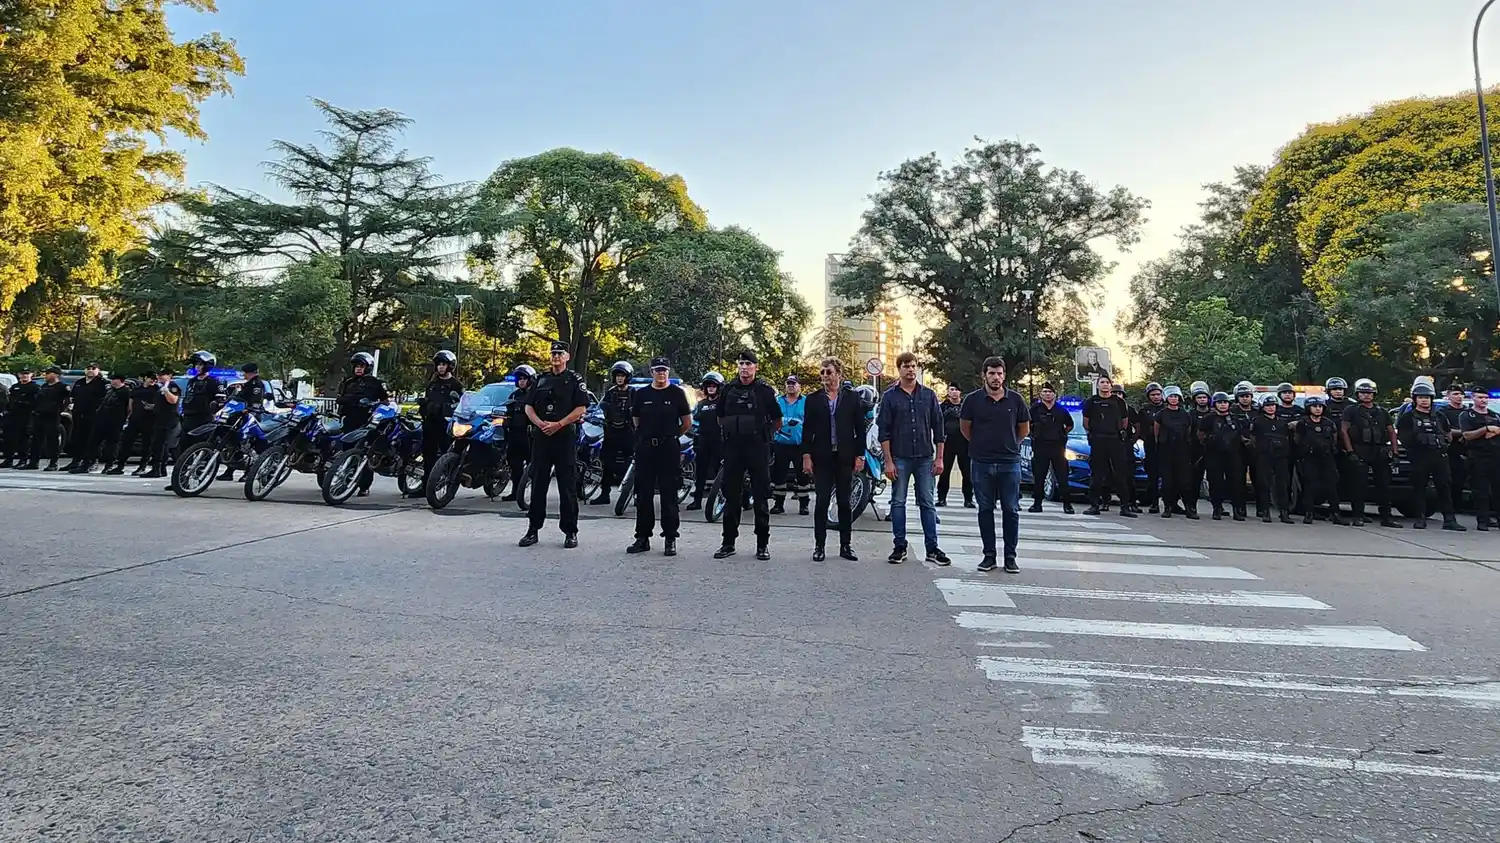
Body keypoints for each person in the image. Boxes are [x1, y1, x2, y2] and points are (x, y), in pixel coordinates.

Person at [876, 351, 949, 564]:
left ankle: (932, 548)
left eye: (913, 365)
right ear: (898, 369)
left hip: (925, 457)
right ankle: (900, 545)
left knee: (927, 502)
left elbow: (939, 428)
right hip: (900, 457)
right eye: (905, 366)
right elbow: (884, 431)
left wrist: (940, 458)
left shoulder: (928, 395)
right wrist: (888, 461)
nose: (910, 369)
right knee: (897, 502)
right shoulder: (890, 397)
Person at [961, 357, 1031, 573]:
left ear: (1004, 375)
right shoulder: (972, 400)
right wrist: (982, 445)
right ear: (984, 375)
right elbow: (966, 429)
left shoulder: (1016, 400)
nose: (996, 377)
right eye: (992, 373)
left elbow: (1024, 429)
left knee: (1011, 509)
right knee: (985, 509)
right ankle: (989, 555)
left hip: (1009, 463)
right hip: (982, 462)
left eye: (999, 373)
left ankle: (1010, 557)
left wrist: (1011, 445)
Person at [519, 341, 591, 548]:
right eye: (553, 353)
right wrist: (541, 424)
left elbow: (581, 409)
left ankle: (570, 531)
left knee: (566, 486)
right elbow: (528, 407)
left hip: (564, 436)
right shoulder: (541, 379)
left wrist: (559, 424)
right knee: (538, 484)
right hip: (542, 436)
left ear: (567, 357)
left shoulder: (574, 379)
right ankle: (533, 530)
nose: (556, 357)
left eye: (560, 354)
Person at [712, 350, 781, 560]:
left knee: (761, 496)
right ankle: (728, 543)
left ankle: (762, 545)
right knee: (731, 495)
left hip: (757, 447)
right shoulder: (728, 389)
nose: (744, 368)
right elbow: (720, 417)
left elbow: (777, 420)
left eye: (748, 364)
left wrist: (763, 436)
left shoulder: (764, 391)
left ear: (755, 367)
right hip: (734, 447)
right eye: (741, 364)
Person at [801, 358, 868, 561]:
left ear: (839, 373)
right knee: (821, 502)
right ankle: (819, 546)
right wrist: (806, 456)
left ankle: (845, 546)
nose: (825, 376)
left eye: (828, 372)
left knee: (844, 503)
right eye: (822, 372)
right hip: (822, 457)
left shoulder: (852, 398)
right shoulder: (813, 399)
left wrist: (860, 455)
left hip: (845, 456)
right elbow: (807, 430)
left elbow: (860, 429)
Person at [626, 357, 692, 556]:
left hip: (668, 448)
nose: (661, 373)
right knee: (643, 494)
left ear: (668, 372)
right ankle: (642, 537)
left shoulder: (677, 394)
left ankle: (670, 537)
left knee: (668, 494)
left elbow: (686, 422)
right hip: (646, 447)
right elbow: (636, 420)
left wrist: (671, 436)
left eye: (664, 370)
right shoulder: (641, 394)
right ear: (651, 372)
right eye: (657, 370)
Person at [1397, 380, 1465, 531]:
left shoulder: (1439, 416)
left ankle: (1449, 519)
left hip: (1439, 456)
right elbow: (1404, 437)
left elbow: (1447, 434)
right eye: (1421, 397)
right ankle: (1420, 519)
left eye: (1427, 397)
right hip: (1419, 457)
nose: (1424, 400)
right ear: (1415, 399)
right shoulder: (1408, 417)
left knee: (1444, 487)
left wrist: (1443, 446)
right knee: (1419, 488)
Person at [1342, 378, 1401, 528]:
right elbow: (1344, 431)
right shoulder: (1351, 410)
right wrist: (1350, 451)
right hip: (1360, 449)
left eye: (1369, 393)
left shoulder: (1382, 412)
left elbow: (1391, 432)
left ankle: (1386, 518)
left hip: (1379, 450)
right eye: (1363, 393)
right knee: (1359, 486)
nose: (1367, 395)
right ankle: (1358, 516)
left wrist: (1395, 452)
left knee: (1384, 486)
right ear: (1357, 394)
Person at [166, 351, 224, 490]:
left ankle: (199, 478)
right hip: (187, 418)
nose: (197, 367)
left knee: (199, 450)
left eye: (199, 364)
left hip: (203, 419)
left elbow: (221, 401)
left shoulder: (214, 382)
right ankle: (180, 479)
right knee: (183, 451)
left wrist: (216, 408)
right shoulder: (192, 381)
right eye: (196, 364)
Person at [335, 351, 390, 496]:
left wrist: (373, 405)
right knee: (347, 452)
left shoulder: (375, 383)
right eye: (356, 366)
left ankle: (364, 486)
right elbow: (340, 398)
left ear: (368, 367)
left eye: (361, 366)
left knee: (365, 453)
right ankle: (345, 482)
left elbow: (385, 402)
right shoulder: (348, 382)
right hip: (349, 421)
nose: (358, 369)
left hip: (367, 422)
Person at [1082, 376, 1135, 518]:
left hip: (1115, 440)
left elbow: (1125, 421)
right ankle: (1094, 505)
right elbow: (1085, 422)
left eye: (1107, 383)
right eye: (1102, 383)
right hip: (1098, 440)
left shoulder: (1119, 402)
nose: (1105, 385)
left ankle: (1125, 507)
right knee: (1097, 474)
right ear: (1098, 385)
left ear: (1111, 386)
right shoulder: (1091, 402)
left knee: (1120, 474)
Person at [417, 350, 465, 497]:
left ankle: (447, 484)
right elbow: (427, 400)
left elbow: (462, 405)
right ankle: (425, 486)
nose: (440, 367)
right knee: (428, 455)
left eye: (443, 364)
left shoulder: (456, 385)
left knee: (447, 454)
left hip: (446, 426)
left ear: (450, 366)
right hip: (430, 423)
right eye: (438, 364)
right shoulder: (432, 383)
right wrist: (423, 405)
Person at [1294, 395, 1346, 525]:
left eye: (1320, 406)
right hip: (1309, 458)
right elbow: (1297, 440)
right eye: (1314, 406)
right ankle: (1309, 513)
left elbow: (1334, 438)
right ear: (1308, 408)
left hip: (1326, 458)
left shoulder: (1329, 423)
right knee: (1310, 486)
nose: (1317, 409)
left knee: (1331, 486)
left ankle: (1335, 513)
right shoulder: (1303, 423)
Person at [592, 361, 635, 506]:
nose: (619, 378)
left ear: (628, 377)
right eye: (617, 376)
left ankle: (636, 495)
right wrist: (593, 416)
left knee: (635, 464)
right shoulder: (610, 393)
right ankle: (605, 494)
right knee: (607, 464)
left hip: (629, 433)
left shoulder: (634, 393)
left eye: (622, 376)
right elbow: (600, 408)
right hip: (611, 433)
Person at [1027, 382, 1075, 513]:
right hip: (1040, 446)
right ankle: (1037, 503)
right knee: (1039, 476)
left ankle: (1067, 504)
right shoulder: (1035, 409)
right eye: (1045, 392)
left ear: (1054, 394)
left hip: (1057, 447)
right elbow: (1026, 424)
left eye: (1050, 392)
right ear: (1041, 394)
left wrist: (1062, 433)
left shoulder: (1061, 410)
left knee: (1062, 476)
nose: (1048, 394)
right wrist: (1032, 434)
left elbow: (1070, 424)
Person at [1200, 391, 1248, 521]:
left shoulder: (1236, 418)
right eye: (1219, 403)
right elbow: (1201, 435)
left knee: (1236, 483)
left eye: (1225, 402)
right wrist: (1210, 441)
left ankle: (1237, 510)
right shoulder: (1208, 419)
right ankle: (1217, 509)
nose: (1222, 405)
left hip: (1233, 455)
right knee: (1216, 483)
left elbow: (1243, 435)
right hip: (1214, 455)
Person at [1153, 385, 1198, 519]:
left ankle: (1189, 508)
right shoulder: (1161, 414)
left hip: (1182, 450)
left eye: (1176, 397)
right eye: (1171, 396)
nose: (1173, 399)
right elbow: (1157, 432)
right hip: (1166, 450)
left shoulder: (1185, 414)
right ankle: (1167, 507)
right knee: (1167, 480)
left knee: (1185, 480)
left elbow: (1189, 431)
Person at [1248, 393, 1294, 524]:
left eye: (1273, 405)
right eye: (1267, 406)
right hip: (1264, 457)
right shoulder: (1257, 422)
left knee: (1282, 485)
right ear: (1262, 407)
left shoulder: (1282, 423)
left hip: (1281, 458)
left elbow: (1288, 439)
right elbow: (1253, 440)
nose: (1270, 408)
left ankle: (1284, 513)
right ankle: (1265, 512)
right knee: (1264, 484)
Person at [72, 372, 130, 474]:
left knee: (112, 444)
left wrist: (125, 419)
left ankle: (109, 465)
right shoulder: (109, 390)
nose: (112, 381)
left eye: (114, 379)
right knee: (93, 442)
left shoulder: (126, 392)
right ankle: (87, 464)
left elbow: (129, 407)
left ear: (120, 380)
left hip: (115, 421)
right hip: (101, 420)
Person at [1460, 392, 1500, 531]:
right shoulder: (1466, 415)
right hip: (1478, 456)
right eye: (1480, 397)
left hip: (1496, 456)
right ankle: (1482, 521)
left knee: (1497, 490)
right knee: (1481, 490)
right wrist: (1486, 429)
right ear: (1473, 399)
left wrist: (1495, 431)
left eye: (1485, 398)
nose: (1484, 400)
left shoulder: (1494, 415)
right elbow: (1467, 435)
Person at [770, 375, 810, 515]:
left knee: (802, 475)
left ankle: (804, 505)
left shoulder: (806, 401)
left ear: (799, 386)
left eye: (794, 383)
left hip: (800, 445)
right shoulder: (778, 401)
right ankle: (778, 504)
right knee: (779, 475)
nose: (791, 386)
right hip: (781, 444)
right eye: (788, 383)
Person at [686, 371, 724, 511]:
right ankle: (697, 501)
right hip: (703, 441)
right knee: (701, 472)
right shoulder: (701, 404)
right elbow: (693, 420)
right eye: (708, 386)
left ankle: (728, 498)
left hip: (720, 442)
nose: (711, 388)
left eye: (714, 385)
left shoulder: (723, 403)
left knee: (720, 471)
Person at [500, 364, 535, 502]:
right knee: (515, 465)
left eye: (524, 378)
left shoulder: (535, 395)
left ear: (530, 379)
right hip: (514, 435)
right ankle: (515, 491)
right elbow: (507, 413)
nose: (521, 381)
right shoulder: (514, 395)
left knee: (533, 466)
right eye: (519, 379)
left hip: (530, 436)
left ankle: (534, 495)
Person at [62, 363, 106, 471]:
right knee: (77, 439)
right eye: (88, 368)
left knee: (92, 440)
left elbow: (104, 400)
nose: (90, 370)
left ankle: (92, 462)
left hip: (93, 416)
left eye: (93, 368)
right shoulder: (79, 382)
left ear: (98, 370)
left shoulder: (102, 383)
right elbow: (72, 396)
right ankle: (76, 461)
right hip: (78, 414)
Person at [116, 371, 159, 476]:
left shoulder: (156, 389)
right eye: (150, 378)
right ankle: (120, 465)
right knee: (127, 442)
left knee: (146, 444)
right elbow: (130, 403)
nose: (153, 380)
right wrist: (128, 415)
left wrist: (153, 406)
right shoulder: (137, 389)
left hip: (149, 420)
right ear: (145, 378)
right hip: (135, 419)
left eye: (154, 379)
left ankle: (142, 466)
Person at [938, 384, 971, 507]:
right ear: (948, 391)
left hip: (964, 442)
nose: (954, 392)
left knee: (967, 472)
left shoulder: (966, 406)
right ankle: (942, 498)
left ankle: (968, 499)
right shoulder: (943, 407)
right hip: (947, 443)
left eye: (957, 389)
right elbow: (937, 423)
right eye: (952, 389)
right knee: (944, 471)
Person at [1436, 384, 1468, 512]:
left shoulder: (1467, 412)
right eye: (1455, 394)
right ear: (1448, 396)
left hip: (1467, 449)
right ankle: (1449, 506)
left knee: (1461, 479)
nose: (1459, 397)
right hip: (1450, 450)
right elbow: (1442, 430)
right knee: (1449, 480)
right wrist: (1463, 433)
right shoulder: (1443, 412)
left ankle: (1458, 505)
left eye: (1461, 394)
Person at [31, 366, 70, 471]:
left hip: (52, 416)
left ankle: (53, 463)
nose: (46, 376)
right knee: (36, 440)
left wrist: (60, 409)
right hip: (40, 415)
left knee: (52, 440)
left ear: (56, 375)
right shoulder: (44, 386)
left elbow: (67, 400)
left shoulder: (62, 387)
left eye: (48, 373)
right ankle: (33, 462)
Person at [146, 368, 182, 478]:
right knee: (158, 444)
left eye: (162, 374)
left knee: (161, 444)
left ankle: (157, 469)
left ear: (169, 375)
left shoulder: (172, 386)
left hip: (168, 419)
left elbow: (173, 400)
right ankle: (160, 469)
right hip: (159, 418)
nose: (159, 376)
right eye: (158, 374)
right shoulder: (160, 387)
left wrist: (166, 391)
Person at [2, 367, 39, 469]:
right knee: (10, 438)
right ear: (19, 375)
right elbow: (9, 400)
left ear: (31, 375)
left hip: (26, 416)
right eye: (23, 374)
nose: (24, 376)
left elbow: (36, 402)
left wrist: (24, 404)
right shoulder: (15, 387)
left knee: (24, 439)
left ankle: (23, 460)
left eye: (27, 374)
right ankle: (9, 459)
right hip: (13, 416)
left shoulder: (34, 388)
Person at [1137, 383, 1166, 513]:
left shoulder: (1167, 408)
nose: (1156, 397)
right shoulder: (1144, 410)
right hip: (1150, 446)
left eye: (1158, 394)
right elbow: (1140, 428)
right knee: (1152, 476)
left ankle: (1171, 504)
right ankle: (1154, 503)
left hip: (1166, 446)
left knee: (1168, 476)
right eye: (1153, 395)